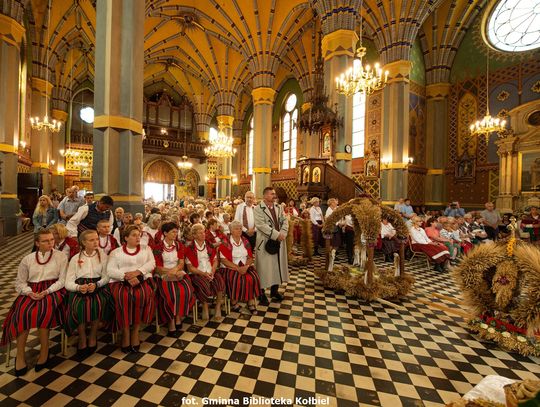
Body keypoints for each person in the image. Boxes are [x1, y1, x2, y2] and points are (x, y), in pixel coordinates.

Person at [0, 229, 67, 376]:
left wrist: (47, 291)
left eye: (51, 240)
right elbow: (20, 282)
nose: (50, 243)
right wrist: (29, 292)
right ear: (37, 243)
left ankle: (44, 351)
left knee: (42, 311)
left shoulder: (61, 256)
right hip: (31, 289)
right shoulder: (28, 259)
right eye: (45, 241)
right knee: (22, 313)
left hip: (53, 289)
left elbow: (62, 280)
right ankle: (20, 355)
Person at [107, 225, 156, 353]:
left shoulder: (146, 248)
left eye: (138, 235)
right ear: (126, 238)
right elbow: (110, 270)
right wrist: (126, 277)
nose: (138, 237)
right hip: (121, 281)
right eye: (134, 235)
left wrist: (138, 272)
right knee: (123, 297)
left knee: (142, 295)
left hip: (141, 279)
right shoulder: (116, 252)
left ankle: (135, 331)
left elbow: (151, 264)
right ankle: (125, 331)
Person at [64, 230, 113, 355]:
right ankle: (82, 337)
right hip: (80, 286)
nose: (96, 242)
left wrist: (97, 285)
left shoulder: (103, 256)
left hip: (98, 285)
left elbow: (106, 277)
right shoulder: (76, 258)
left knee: (97, 303)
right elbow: (68, 282)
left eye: (96, 239)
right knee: (79, 305)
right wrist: (78, 288)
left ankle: (92, 335)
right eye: (91, 240)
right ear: (83, 242)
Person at [152, 222, 195, 337]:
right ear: (165, 233)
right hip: (163, 274)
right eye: (173, 232)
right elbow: (157, 267)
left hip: (176, 272)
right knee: (170, 293)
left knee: (186, 290)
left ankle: (178, 316)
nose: (175, 234)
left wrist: (176, 271)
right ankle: (170, 321)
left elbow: (181, 262)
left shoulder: (179, 245)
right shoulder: (158, 247)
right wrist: (169, 272)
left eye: (176, 232)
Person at [254, 187, 289, 306]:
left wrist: (283, 233)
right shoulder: (258, 209)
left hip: (279, 241)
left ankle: (274, 291)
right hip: (265, 242)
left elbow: (285, 221)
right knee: (264, 268)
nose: (274, 195)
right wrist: (276, 234)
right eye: (271, 194)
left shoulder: (279, 207)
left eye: (274, 194)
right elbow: (260, 225)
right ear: (265, 196)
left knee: (277, 266)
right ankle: (261, 293)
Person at [218, 221, 261, 315]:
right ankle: (234, 301)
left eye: (240, 228)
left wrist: (246, 267)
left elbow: (250, 257)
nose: (239, 230)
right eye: (236, 228)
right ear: (231, 230)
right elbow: (224, 260)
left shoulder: (245, 241)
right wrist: (238, 268)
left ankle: (250, 302)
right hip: (229, 267)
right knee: (236, 279)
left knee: (253, 277)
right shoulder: (225, 242)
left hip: (245, 265)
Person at [185, 224, 225, 321]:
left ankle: (217, 307)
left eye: (203, 232)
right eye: (200, 233)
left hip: (211, 270)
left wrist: (212, 271)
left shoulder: (209, 244)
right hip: (197, 273)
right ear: (194, 235)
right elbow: (190, 268)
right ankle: (205, 306)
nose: (203, 234)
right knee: (203, 285)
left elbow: (215, 260)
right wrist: (203, 274)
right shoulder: (189, 247)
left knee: (220, 283)